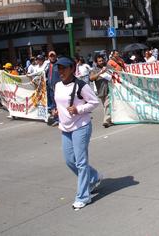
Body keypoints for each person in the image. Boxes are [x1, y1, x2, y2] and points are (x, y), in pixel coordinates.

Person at [52, 57, 102, 210]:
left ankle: (83, 197)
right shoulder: (57, 85)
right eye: (59, 68)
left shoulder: (81, 85)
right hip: (65, 128)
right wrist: (56, 112)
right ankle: (94, 177)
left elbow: (94, 102)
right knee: (70, 161)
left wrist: (78, 109)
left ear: (72, 69)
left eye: (64, 68)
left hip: (81, 126)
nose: (61, 71)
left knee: (80, 163)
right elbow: (60, 103)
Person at [90, 55, 113, 128]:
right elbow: (91, 78)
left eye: (102, 60)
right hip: (101, 90)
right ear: (96, 62)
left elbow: (115, 73)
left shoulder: (108, 67)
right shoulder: (94, 70)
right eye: (99, 61)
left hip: (110, 89)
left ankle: (106, 121)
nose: (101, 62)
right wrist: (100, 72)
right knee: (106, 106)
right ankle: (111, 120)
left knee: (107, 105)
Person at [45, 51, 60, 125]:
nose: (52, 57)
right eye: (51, 56)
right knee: (53, 104)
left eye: (53, 56)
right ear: (48, 57)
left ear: (55, 56)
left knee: (58, 103)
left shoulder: (59, 64)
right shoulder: (48, 65)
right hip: (50, 87)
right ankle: (56, 118)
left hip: (57, 87)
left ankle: (59, 119)